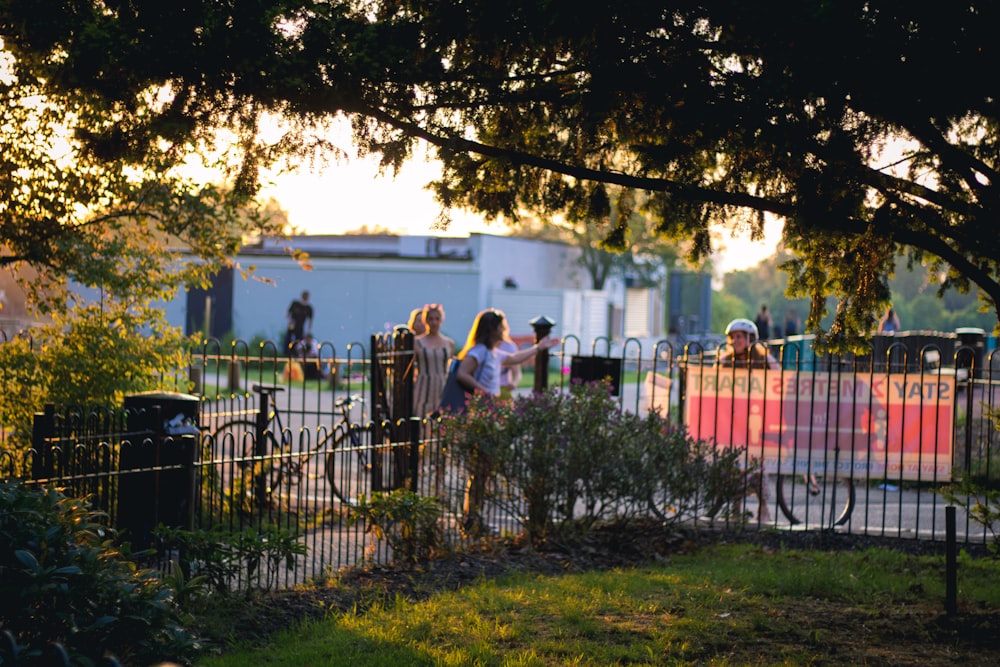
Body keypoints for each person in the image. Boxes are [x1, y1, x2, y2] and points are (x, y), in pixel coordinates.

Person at [455, 309, 558, 533]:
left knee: (484, 470)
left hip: (491, 418)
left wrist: (539, 347)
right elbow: (463, 373)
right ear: (491, 329)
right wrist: (484, 393)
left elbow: (513, 359)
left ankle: (474, 516)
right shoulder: (479, 351)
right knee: (480, 470)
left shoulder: (493, 352)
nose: (504, 330)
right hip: (482, 418)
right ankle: (471, 518)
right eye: (501, 326)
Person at [412, 304, 455, 418]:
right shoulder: (417, 342)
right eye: (431, 319)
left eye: (437, 319)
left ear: (441, 320)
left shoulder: (448, 343)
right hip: (423, 386)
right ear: (425, 321)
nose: (434, 322)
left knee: (442, 419)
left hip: (442, 385)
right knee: (421, 419)